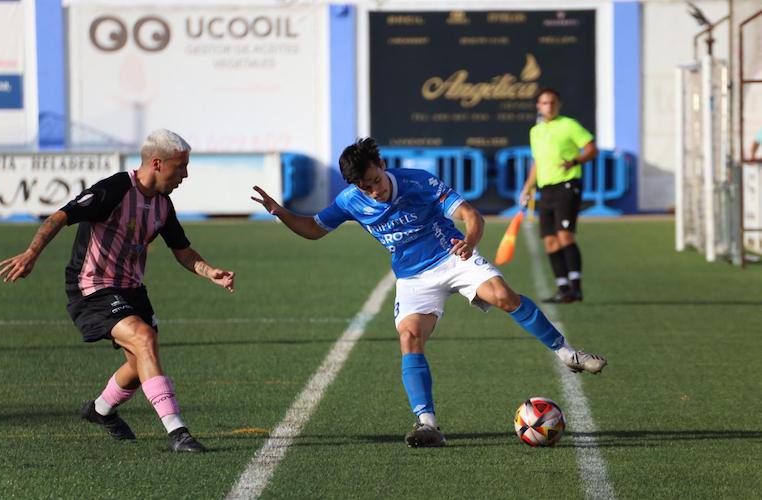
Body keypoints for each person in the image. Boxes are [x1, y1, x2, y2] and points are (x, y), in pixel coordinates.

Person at [252, 137, 606, 448]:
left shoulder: (417, 181)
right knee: (410, 336)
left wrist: (468, 243)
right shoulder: (350, 201)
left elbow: (471, 215)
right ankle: (428, 425)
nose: (374, 191)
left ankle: (567, 354)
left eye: (375, 181)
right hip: (413, 278)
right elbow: (314, 229)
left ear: (382, 165)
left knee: (503, 295)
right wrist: (280, 212)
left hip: (452, 255)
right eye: (365, 187)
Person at [0, 129, 235, 453]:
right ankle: (177, 432)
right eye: (180, 167)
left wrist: (210, 272)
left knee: (140, 365)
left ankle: (100, 410)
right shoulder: (114, 190)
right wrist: (31, 253)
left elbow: (182, 250)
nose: (186, 174)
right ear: (156, 163)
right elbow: (59, 216)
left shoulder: (163, 205)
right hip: (92, 286)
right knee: (144, 339)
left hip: (132, 289)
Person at [519, 88, 597, 304]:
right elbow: (537, 162)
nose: (549, 106)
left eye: (552, 102)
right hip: (546, 189)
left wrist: (574, 162)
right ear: (538, 106)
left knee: (564, 235)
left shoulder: (569, 125)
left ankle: (576, 287)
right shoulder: (536, 131)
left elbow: (591, 149)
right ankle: (563, 288)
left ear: (558, 104)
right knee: (550, 240)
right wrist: (527, 187)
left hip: (567, 184)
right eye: (544, 103)